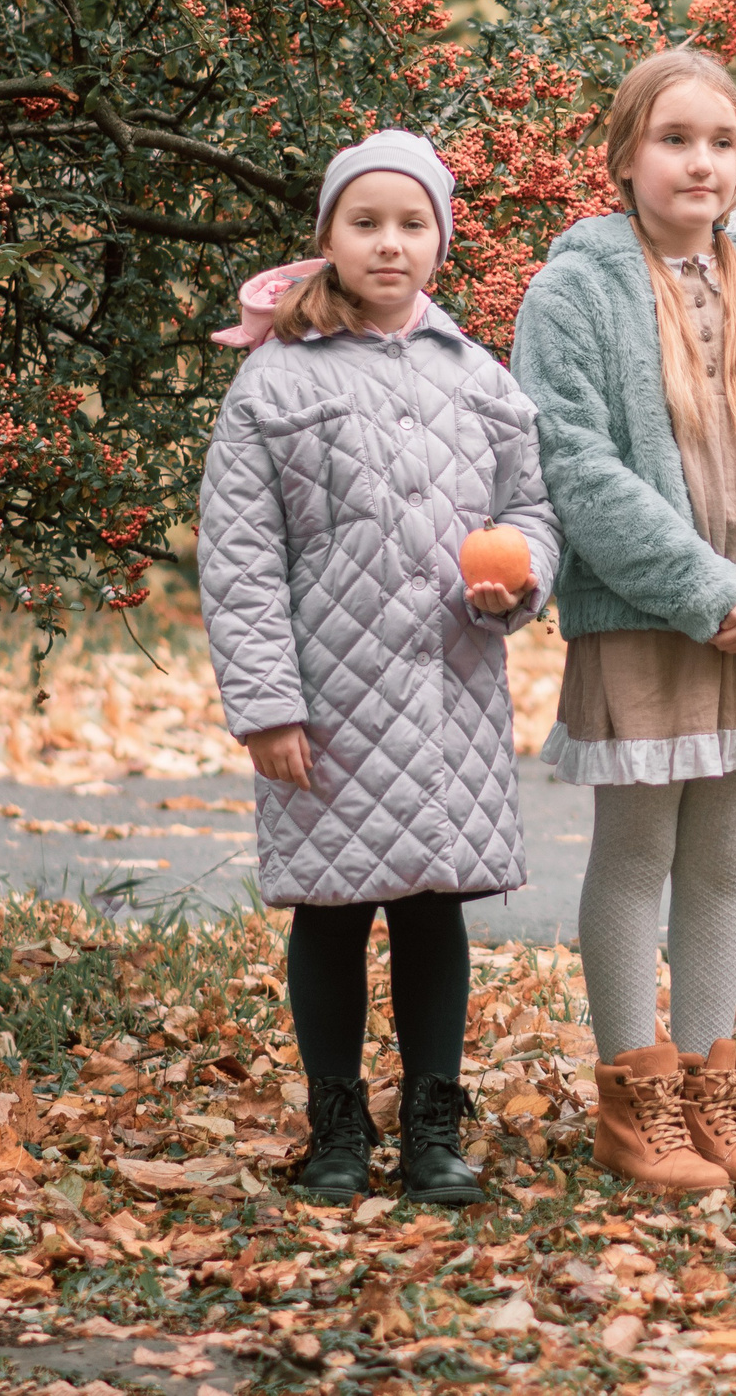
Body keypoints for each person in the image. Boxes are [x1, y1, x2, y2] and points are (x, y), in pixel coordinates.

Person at [513, 49, 736, 1191]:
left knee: (721, 856)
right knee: (637, 851)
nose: (700, 161)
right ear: (624, 158)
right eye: (674, 139)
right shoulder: (574, 291)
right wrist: (702, 589)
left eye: (721, 141)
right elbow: (573, 459)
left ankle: (712, 1098)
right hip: (646, 620)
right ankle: (634, 1102)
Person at [199, 131, 560, 1205]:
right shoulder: (275, 381)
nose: (389, 242)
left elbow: (532, 509)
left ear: (441, 242)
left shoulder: (477, 376)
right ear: (329, 237)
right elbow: (241, 556)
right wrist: (267, 704)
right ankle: (337, 1122)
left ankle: (434, 1124)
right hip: (328, 699)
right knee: (331, 907)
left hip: (449, 688)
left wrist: (518, 577)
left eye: (412, 223)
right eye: (366, 222)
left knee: (433, 905)